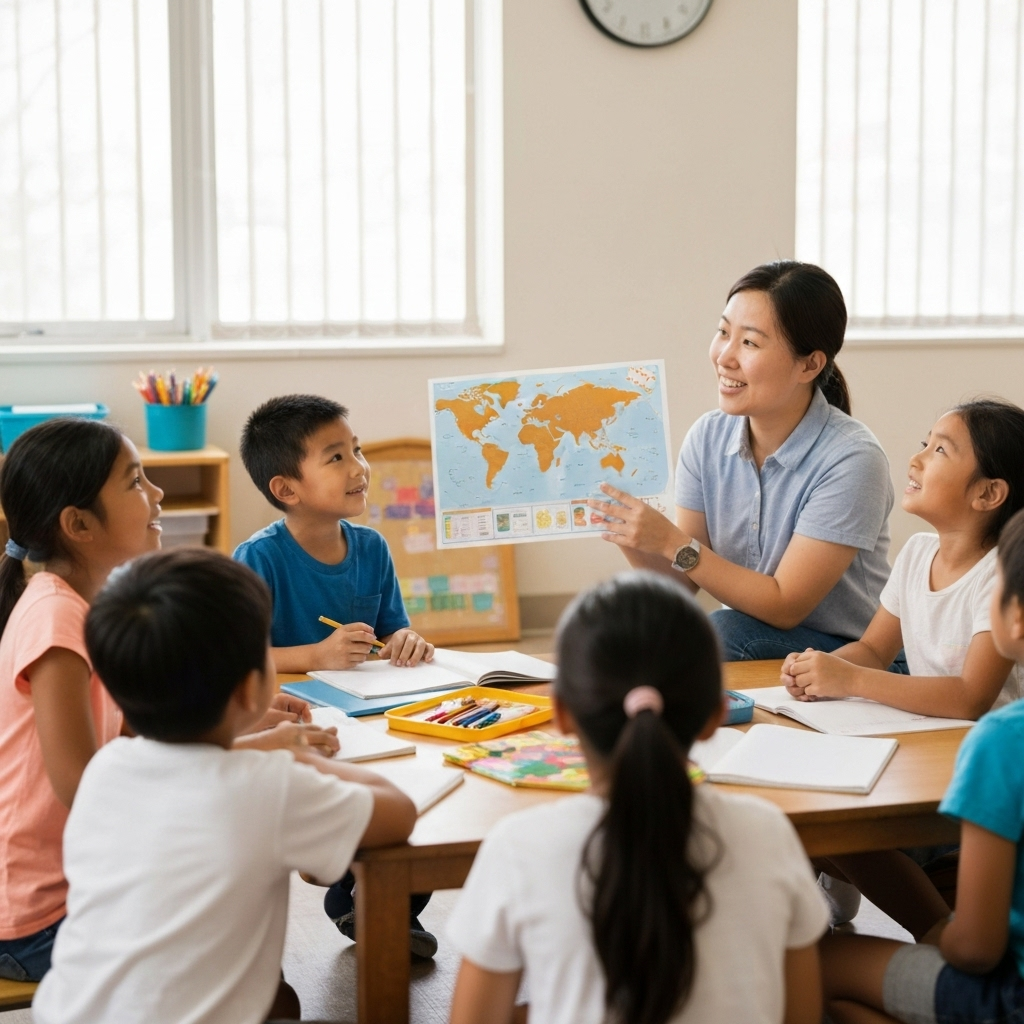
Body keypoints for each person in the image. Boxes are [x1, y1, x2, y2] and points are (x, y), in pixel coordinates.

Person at [0, 420, 335, 985]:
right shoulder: (56, 620)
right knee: (239, 944)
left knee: (246, 944)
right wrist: (243, 756)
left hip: (87, 877)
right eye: (135, 482)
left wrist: (237, 726)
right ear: (77, 524)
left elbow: (132, 736)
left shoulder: (86, 603)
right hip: (45, 915)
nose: (156, 494)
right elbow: (84, 786)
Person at [32, 549, 416, 1024]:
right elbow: (398, 810)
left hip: (67, 1013)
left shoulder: (106, 768)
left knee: (282, 1001)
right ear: (251, 689)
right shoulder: (268, 785)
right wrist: (293, 754)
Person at [447, 572, 828, 1024]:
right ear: (715, 716)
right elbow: (801, 1014)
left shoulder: (519, 847)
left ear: (563, 715)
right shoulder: (767, 833)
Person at [782, 400, 1024, 938]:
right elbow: (871, 648)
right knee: (805, 811)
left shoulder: (999, 574)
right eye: (925, 442)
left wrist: (854, 680)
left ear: (988, 493)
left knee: (841, 831)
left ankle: (936, 936)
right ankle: (845, 890)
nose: (916, 460)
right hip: (921, 746)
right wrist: (822, 667)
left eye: (940, 450)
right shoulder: (917, 553)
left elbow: (969, 698)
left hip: (971, 779)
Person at [588, 261, 896, 664]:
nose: (725, 357)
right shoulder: (707, 437)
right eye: (723, 333)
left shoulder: (853, 459)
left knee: (719, 631)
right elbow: (681, 584)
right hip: (758, 638)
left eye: (749, 343)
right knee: (635, 625)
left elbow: (786, 605)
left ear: (810, 364)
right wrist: (629, 531)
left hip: (852, 654)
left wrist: (670, 540)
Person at [235, 393, 437, 957]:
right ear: (286, 489)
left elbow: (393, 631)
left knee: (421, 788)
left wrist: (404, 639)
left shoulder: (371, 547)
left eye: (357, 449)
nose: (359, 467)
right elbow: (240, 657)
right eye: (336, 457)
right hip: (292, 717)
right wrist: (314, 655)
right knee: (363, 801)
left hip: (368, 708)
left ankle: (369, 902)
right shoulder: (260, 559)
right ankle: (342, 877)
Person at [817, 507, 1024, 1024]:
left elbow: (975, 949)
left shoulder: (1002, 744)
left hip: (1008, 997)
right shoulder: (916, 554)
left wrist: (944, 937)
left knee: (814, 961)